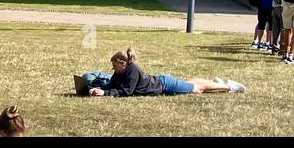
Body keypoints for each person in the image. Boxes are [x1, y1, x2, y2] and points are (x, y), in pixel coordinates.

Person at [88, 47, 245, 96]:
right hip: (162, 81)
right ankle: (215, 83)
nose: (113, 69)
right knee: (190, 83)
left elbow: (126, 92)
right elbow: (113, 84)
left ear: (123, 63)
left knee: (197, 89)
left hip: (164, 86)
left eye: (115, 66)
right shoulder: (121, 72)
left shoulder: (133, 69)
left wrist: (105, 94)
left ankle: (230, 87)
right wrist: (100, 89)